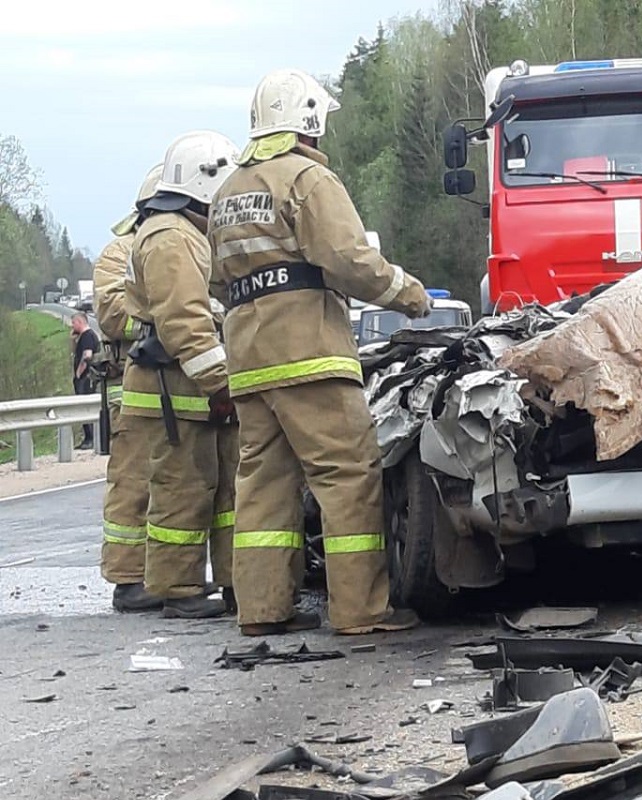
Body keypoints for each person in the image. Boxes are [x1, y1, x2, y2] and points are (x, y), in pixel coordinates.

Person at [208, 68, 432, 637]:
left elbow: (217, 280)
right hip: (309, 354)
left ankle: (260, 609)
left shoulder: (229, 191)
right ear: (307, 120)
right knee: (348, 474)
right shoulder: (308, 180)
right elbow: (349, 260)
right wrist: (408, 294)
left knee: (262, 484)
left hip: (249, 361)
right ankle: (361, 610)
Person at [122, 130, 240, 619]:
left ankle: (234, 581)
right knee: (182, 488)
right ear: (206, 183)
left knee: (216, 488)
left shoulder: (179, 232)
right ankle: (179, 589)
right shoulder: (172, 237)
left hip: (183, 386)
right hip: (178, 387)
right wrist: (223, 385)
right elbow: (186, 324)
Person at [92, 164, 162, 612]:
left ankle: (174, 574)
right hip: (131, 389)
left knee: (182, 485)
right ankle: (127, 579)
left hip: (180, 384)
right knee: (134, 483)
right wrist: (167, 314)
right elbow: (115, 314)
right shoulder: (121, 252)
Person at [70, 313, 100, 449]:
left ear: (79, 322)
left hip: (85, 378)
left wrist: (78, 373)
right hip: (87, 378)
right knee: (84, 408)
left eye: (73, 323)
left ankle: (90, 439)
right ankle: (90, 438)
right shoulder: (86, 336)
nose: (72, 326)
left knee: (84, 408)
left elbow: (87, 355)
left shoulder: (87, 336)